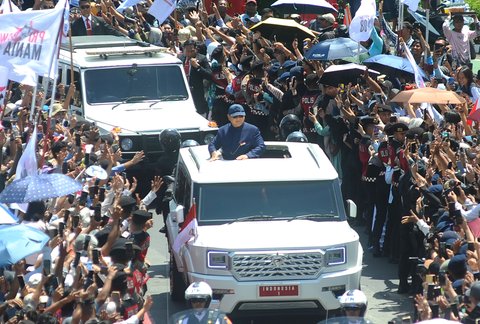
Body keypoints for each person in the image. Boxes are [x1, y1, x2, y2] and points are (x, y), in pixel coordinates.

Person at [179, 39, 212, 116]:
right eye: (187, 51)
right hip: (183, 93)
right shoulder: (181, 58)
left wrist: (198, 67)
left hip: (197, 94)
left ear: (196, 49)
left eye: (192, 51)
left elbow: (209, 75)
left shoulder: (202, 59)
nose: (189, 53)